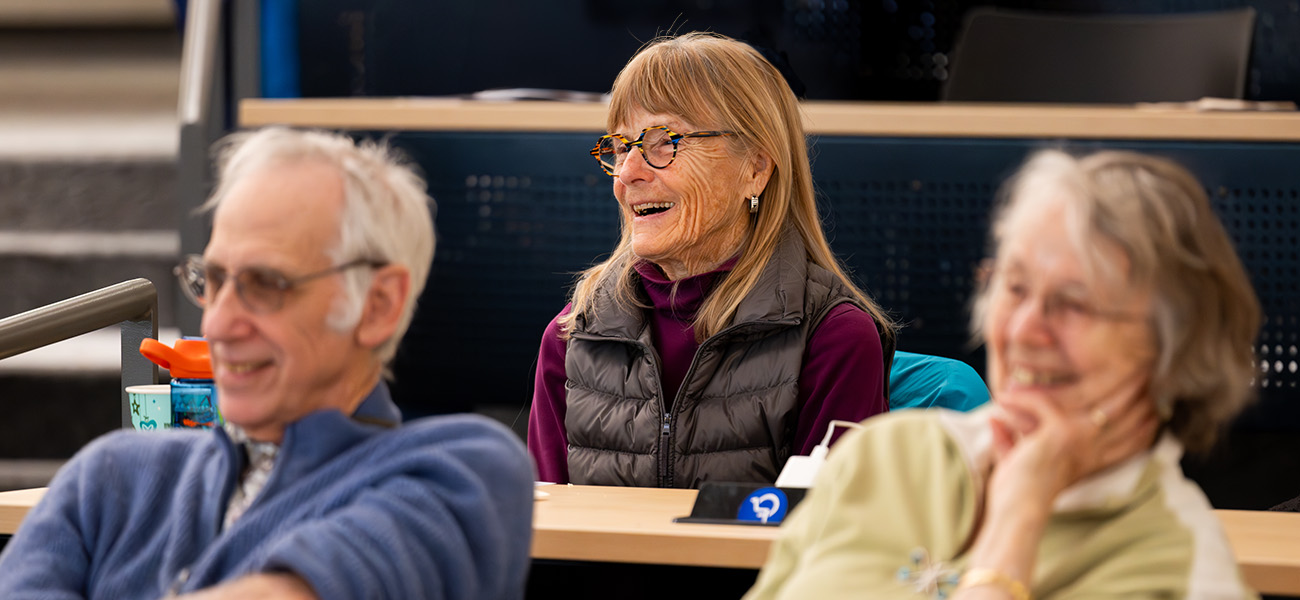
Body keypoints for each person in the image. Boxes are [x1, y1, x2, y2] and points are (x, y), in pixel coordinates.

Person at [0, 127, 534, 599]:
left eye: (265, 285)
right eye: (211, 281)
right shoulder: (113, 477)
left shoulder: (461, 475)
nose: (216, 325)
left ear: (378, 305)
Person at [745, 150, 1261, 599]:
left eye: (1074, 304)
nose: (1024, 329)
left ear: (1171, 349)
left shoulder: (1182, 573)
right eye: (1013, 288)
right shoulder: (885, 456)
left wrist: (1016, 524)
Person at [527, 32, 898, 488]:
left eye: (664, 141)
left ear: (756, 169)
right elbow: (545, 537)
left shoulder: (835, 338)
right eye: (621, 147)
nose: (627, 173)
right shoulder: (573, 334)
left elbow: (827, 544)